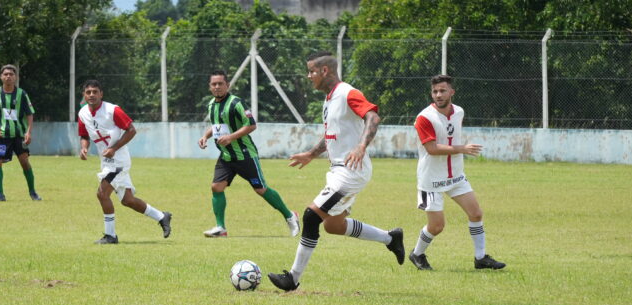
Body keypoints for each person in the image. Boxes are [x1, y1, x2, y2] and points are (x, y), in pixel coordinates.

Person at [268, 51, 405, 292]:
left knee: (311, 217)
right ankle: (390, 238)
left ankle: (292, 278)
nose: (308, 75)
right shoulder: (330, 99)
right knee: (333, 225)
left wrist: (362, 146)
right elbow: (333, 135)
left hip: (351, 171)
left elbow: (373, 116)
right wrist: (311, 154)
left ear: (324, 71)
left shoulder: (347, 92)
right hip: (339, 170)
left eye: (311, 71)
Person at [408, 74, 505, 270]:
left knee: (476, 214)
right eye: (435, 91)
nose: (438, 95)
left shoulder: (459, 111)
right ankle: (417, 254)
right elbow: (432, 149)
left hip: (455, 175)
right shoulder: (424, 117)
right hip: (431, 179)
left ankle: (480, 258)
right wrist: (462, 149)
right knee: (437, 226)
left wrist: (459, 151)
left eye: (443, 90)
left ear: (452, 92)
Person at [197, 70, 299, 238]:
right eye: (214, 84)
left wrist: (231, 137)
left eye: (220, 84)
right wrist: (205, 136)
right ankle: (220, 228)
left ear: (227, 85)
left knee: (261, 189)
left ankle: (290, 216)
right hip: (227, 157)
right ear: (210, 87)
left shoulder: (236, 103)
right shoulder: (211, 105)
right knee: (216, 187)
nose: (217, 87)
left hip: (245, 155)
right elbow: (216, 125)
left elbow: (251, 125)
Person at [77, 80, 172, 244]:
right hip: (106, 161)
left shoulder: (113, 110)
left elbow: (131, 130)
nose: (91, 95)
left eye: (95, 91)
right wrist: (84, 148)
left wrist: (114, 148)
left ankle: (110, 236)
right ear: (84, 95)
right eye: (88, 92)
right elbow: (84, 135)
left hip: (118, 160)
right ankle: (162, 216)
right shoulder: (83, 113)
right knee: (127, 200)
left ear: (101, 94)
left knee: (102, 193)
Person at [0, 64, 41, 202]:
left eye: (11, 74)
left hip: (18, 135)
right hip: (1, 136)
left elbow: (29, 114)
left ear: (15, 77)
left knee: (24, 162)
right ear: (1, 77)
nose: (8, 76)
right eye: (6, 74)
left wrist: (28, 132)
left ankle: (33, 193)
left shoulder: (22, 94)